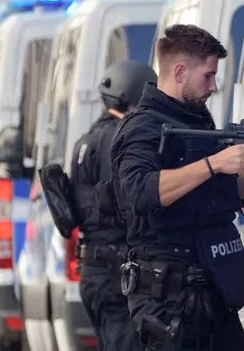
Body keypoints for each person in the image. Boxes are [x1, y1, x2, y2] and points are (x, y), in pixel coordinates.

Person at [110, 24, 244, 351]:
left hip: (211, 287)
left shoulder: (196, 121)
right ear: (180, 71)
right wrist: (214, 164)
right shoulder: (144, 125)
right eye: (208, 76)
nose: (214, 87)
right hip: (168, 298)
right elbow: (139, 191)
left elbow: (221, 195)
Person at [69, 59, 157, 351]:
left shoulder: (84, 142)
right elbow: (129, 201)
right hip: (115, 273)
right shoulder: (119, 139)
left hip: (93, 271)